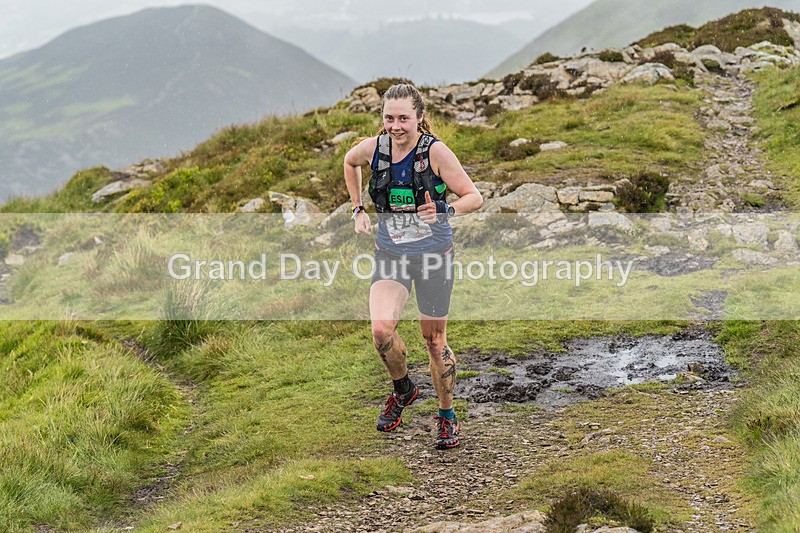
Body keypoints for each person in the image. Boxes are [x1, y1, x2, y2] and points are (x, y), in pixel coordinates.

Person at [343, 83, 483, 449]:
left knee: (435, 342)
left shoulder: (435, 152)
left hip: (434, 256)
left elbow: (474, 197)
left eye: (404, 118)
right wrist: (358, 209)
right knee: (381, 331)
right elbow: (349, 161)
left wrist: (445, 209)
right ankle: (403, 388)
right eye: (389, 118)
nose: (395, 125)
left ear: (420, 118)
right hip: (391, 254)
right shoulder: (374, 149)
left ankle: (447, 416)